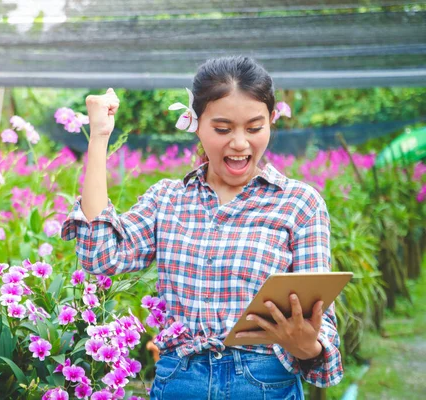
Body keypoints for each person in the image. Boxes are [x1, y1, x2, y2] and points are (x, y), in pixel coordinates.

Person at [61, 56, 343, 399]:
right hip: (181, 381)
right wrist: (99, 138)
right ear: (195, 123)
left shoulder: (300, 203)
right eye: (222, 129)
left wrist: (307, 345)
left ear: (271, 121)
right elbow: (100, 258)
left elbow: (319, 320)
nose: (239, 143)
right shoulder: (168, 199)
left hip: (265, 383)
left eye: (254, 128)